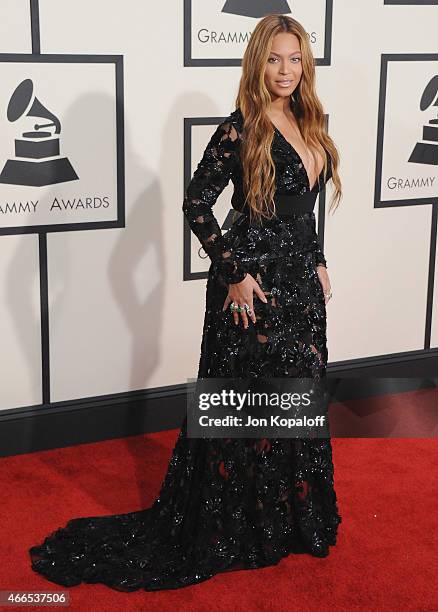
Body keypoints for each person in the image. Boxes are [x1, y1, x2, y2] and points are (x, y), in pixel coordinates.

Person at [29, 14, 342, 592]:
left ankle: (289, 522)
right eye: (274, 58)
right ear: (256, 61)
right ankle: (236, 527)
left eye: (294, 59)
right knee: (242, 404)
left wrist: (319, 259)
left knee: (293, 399)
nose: (285, 71)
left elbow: (303, 211)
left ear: (306, 65)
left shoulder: (310, 120)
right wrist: (233, 276)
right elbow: (197, 203)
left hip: (300, 284)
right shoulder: (240, 128)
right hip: (252, 287)